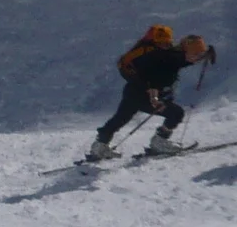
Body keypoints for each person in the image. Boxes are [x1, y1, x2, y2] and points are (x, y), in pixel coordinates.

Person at [89, 30, 215, 160]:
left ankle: (99, 146)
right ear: (187, 50)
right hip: (143, 95)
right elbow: (154, 78)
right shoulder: (172, 58)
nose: (196, 57)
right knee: (176, 113)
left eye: (198, 54)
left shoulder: (173, 56)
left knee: (120, 119)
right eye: (195, 53)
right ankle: (159, 143)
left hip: (133, 91)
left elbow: (184, 61)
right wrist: (154, 98)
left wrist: (205, 54)